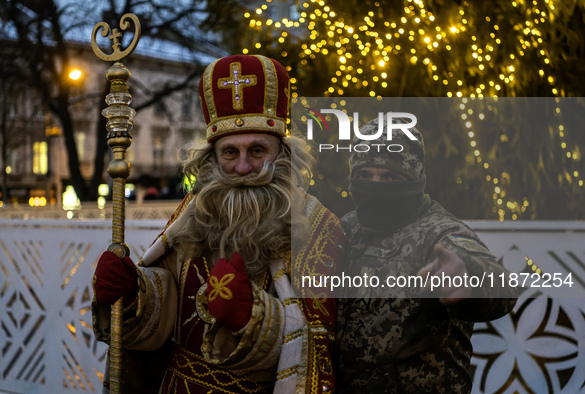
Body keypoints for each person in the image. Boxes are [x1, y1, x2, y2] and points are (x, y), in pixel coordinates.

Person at [92, 54, 345, 393]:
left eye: (257, 150)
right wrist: (136, 294)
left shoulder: (318, 226)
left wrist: (251, 318)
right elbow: (171, 307)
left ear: (283, 155)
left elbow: (312, 351)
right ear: (212, 158)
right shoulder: (195, 209)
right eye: (230, 153)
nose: (242, 168)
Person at [335, 116, 517, 393]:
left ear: (415, 177)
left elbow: (501, 287)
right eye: (364, 175)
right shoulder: (345, 229)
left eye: (391, 176)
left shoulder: (439, 233)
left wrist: (468, 277)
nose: (375, 185)